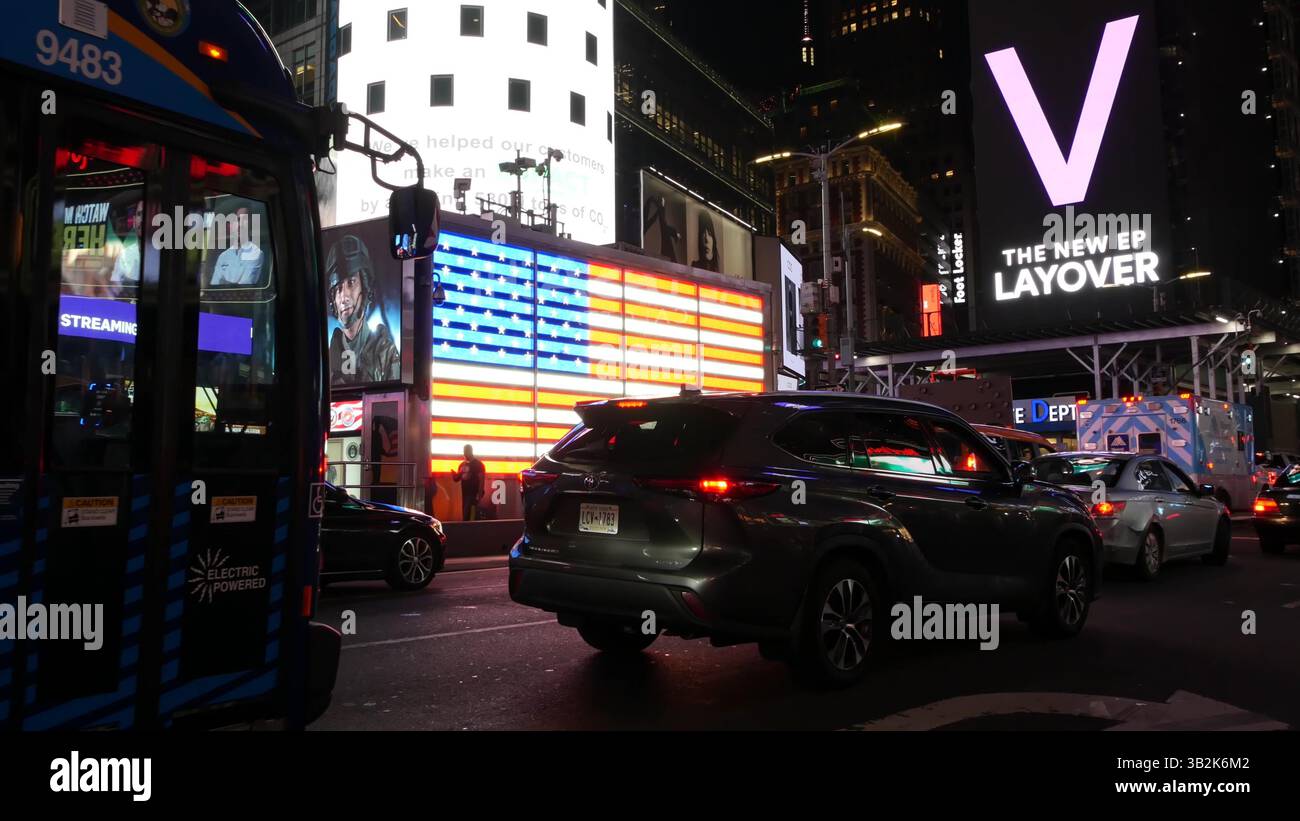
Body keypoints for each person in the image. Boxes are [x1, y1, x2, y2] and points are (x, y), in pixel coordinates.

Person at [326, 235, 400, 385]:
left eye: (351, 283)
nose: (344, 296)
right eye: (338, 288)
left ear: (364, 287)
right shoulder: (323, 360)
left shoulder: (385, 352)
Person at [210, 206, 265, 287]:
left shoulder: (256, 253)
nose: (239, 225)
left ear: (251, 224)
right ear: (230, 227)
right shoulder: (223, 256)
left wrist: (224, 282)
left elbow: (244, 287)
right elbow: (214, 286)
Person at [450, 444, 486, 521]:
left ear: (471, 451)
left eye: (466, 451)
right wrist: (454, 475)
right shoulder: (462, 465)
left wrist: (479, 495)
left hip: (473, 494)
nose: (464, 454)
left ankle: (471, 530)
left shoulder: (478, 464)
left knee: (470, 516)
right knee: (466, 516)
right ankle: (468, 529)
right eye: (464, 452)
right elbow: (456, 479)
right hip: (464, 494)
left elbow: (481, 481)